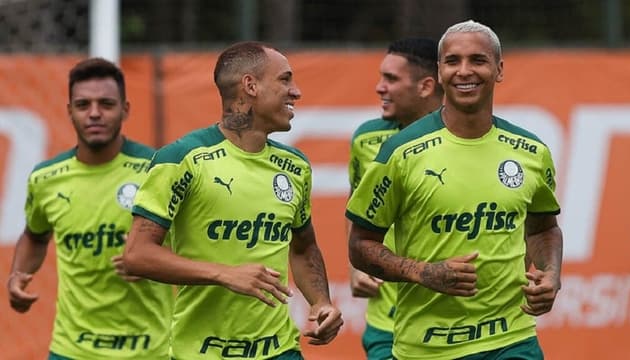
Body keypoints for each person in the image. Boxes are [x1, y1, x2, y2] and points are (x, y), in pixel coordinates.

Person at [346, 20, 563, 360]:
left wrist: (550, 274)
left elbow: (543, 229)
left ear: (499, 69)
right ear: (439, 71)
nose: (465, 71)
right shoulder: (399, 152)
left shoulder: (531, 151)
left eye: (477, 60)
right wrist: (423, 273)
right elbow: (360, 245)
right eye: (453, 61)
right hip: (426, 347)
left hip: (512, 340)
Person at [123, 41, 344, 360]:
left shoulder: (295, 166)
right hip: (200, 353)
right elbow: (137, 254)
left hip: (280, 351)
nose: (295, 92)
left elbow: (303, 246)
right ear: (250, 86)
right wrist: (224, 273)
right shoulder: (182, 159)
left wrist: (321, 302)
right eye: (284, 79)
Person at [7, 58, 173, 359]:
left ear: (125, 109)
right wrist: (18, 274)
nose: (94, 113)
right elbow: (35, 235)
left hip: (150, 350)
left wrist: (154, 262)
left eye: (106, 104)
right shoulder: (45, 179)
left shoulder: (158, 170)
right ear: (69, 111)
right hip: (72, 350)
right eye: (83, 104)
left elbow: (198, 246)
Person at [347, 38, 443, 360]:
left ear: (426, 86)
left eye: (391, 79)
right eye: (381, 77)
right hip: (387, 326)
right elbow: (357, 215)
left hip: (454, 324)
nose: (379, 87)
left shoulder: (468, 138)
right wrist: (356, 269)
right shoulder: (367, 139)